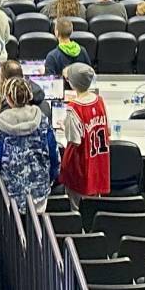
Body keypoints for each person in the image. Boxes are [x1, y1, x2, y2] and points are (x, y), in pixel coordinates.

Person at [0, 76, 58, 208]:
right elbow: (53, 154)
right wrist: (50, 178)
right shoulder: (42, 119)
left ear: (8, 98)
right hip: (40, 190)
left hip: (11, 192)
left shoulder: (1, 123)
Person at [59, 63, 111, 196]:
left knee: (77, 208)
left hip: (80, 166)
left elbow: (74, 140)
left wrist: (64, 126)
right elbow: (108, 131)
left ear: (73, 84)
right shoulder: (99, 101)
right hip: (98, 163)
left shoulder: (74, 108)